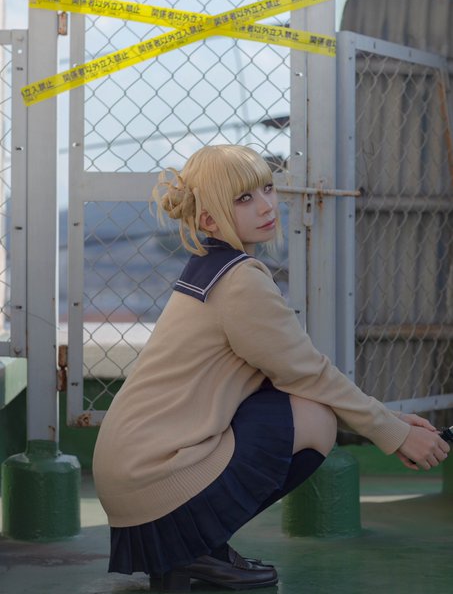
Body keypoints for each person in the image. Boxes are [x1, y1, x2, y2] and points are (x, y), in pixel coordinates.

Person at [93, 144, 450, 592]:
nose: (266, 205)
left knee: (295, 401)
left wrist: (391, 421)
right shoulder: (241, 280)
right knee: (315, 416)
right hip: (155, 481)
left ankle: (194, 551)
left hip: (134, 475)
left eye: (266, 188)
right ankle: (197, 550)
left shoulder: (212, 266)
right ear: (209, 219)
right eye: (244, 198)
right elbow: (309, 375)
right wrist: (392, 432)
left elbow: (294, 371)